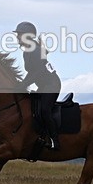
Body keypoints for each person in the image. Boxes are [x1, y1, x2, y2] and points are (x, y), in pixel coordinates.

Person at [14, 21, 62, 150]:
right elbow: (31, 73)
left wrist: (23, 84)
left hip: (51, 84)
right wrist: (22, 84)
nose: (17, 37)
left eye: (19, 35)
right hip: (43, 86)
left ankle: (54, 141)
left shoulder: (35, 49)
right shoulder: (27, 51)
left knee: (45, 110)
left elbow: (38, 71)